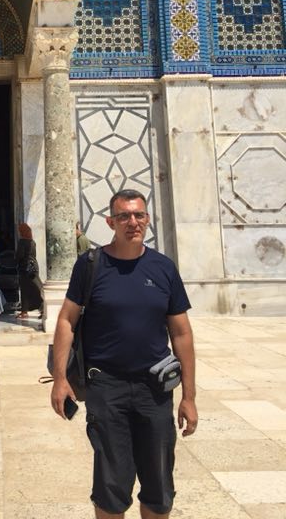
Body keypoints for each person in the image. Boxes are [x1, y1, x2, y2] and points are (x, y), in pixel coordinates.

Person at [51, 189, 197, 519]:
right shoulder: (90, 265)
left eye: (139, 215)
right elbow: (66, 320)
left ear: (147, 219)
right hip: (107, 388)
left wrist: (188, 396)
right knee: (111, 484)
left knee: (159, 484)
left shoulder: (163, 268)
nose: (133, 222)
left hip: (155, 390)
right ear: (110, 222)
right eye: (124, 217)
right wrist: (60, 378)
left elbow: (182, 333)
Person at [15, 222, 43, 319]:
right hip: (33, 267)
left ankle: (24, 312)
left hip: (25, 269)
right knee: (36, 289)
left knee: (25, 290)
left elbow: (20, 256)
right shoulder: (32, 242)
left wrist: (16, 260)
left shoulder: (22, 242)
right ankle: (42, 309)